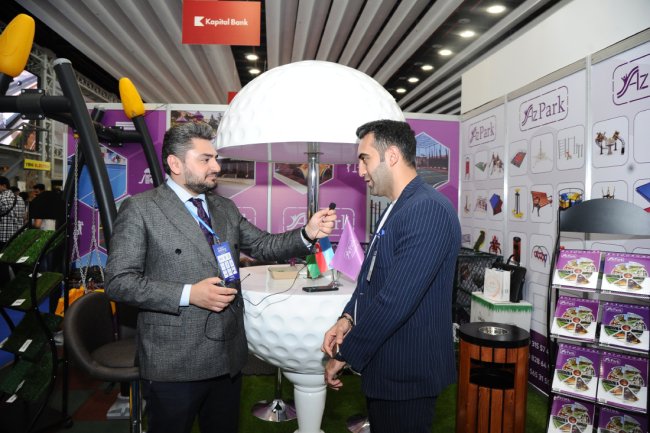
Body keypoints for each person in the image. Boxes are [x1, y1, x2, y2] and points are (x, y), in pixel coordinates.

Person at [105, 121, 336, 433]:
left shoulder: (224, 208)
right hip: (174, 361)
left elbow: (264, 245)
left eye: (215, 158)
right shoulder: (142, 209)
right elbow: (119, 281)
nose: (216, 166)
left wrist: (307, 233)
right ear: (175, 163)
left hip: (227, 357)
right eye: (205, 159)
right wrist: (189, 294)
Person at [321, 119, 461, 433]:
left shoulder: (427, 209)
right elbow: (372, 278)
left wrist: (345, 354)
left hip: (407, 373)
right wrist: (347, 319)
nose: (360, 170)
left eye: (365, 159)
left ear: (392, 156)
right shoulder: (398, 206)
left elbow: (395, 299)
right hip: (388, 367)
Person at [0, 176, 27, 282]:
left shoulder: (2, 198)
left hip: (3, 238)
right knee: (16, 263)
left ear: (3, 186)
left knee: (3, 264)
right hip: (18, 237)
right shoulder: (19, 199)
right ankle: (18, 285)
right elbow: (24, 217)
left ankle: (5, 287)